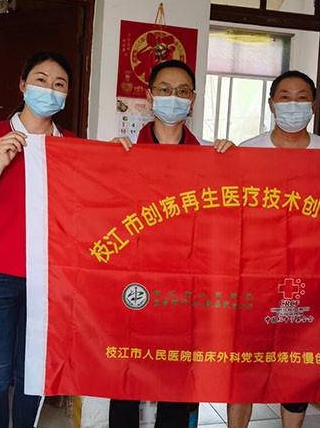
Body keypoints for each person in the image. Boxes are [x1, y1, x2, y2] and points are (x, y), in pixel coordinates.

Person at [0, 51, 75, 428]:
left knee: (31, 375)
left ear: (66, 95)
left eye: (59, 84)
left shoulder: (70, 145)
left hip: (47, 278)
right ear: (22, 85)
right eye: (41, 80)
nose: (49, 89)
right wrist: (0, 161)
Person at [110, 59, 233, 428]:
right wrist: (106, 162)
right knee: (126, 376)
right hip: (133, 283)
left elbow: (225, 217)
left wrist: (234, 161)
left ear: (192, 100)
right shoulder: (124, 151)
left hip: (186, 285)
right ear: (149, 96)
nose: (173, 97)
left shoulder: (210, 155)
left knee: (178, 378)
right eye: (164, 89)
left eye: (182, 91)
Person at [229, 70, 320, 428]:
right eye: (285, 97)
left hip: (310, 275)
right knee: (246, 366)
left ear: (313, 105)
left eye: (302, 97)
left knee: (298, 364)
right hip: (256, 275)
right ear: (271, 104)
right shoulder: (247, 152)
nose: (294, 105)